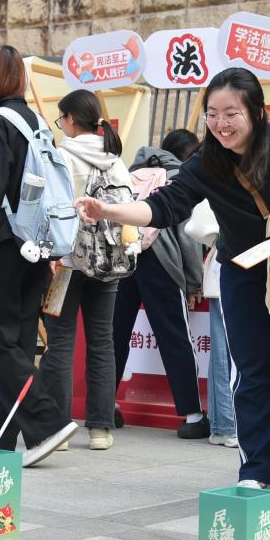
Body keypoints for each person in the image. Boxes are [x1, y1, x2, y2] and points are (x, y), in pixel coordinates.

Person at [76, 67, 270, 511]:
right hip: (242, 272)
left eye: (231, 113)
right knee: (251, 372)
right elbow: (164, 207)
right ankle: (254, 469)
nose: (221, 124)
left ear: (256, 112)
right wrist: (109, 210)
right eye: (213, 114)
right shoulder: (206, 161)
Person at [0, 45, 77, 466]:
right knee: (20, 340)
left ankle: (47, 421)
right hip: (38, 248)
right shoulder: (37, 122)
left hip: (4, 246)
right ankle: (0, 435)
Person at [38, 89, 130, 451]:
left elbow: (49, 206)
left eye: (61, 119)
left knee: (60, 342)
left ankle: (58, 430)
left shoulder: (62, 155)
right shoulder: (115, 159)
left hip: (66, 261)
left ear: (71, 119)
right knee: (102, 342)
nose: (61, 125)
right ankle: (100, 430)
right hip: (108, 261)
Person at [112, 130, 206, 440]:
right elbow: (189, 236)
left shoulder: (132, 171)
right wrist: (193, 282)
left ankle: (104, 407)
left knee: (114, 335)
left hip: (124, 259)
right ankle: (192, 416)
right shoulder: (180, 176)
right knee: (174, 334)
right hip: (160, 262)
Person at [186, 198, 237, 448]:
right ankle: (227, 426)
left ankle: (221, 426)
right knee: (227, 354)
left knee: (221, 354)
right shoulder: (223, 183)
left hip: (224, 269)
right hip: (230, 269)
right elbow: (198, 224)